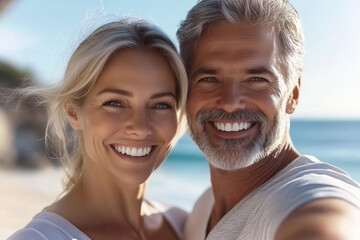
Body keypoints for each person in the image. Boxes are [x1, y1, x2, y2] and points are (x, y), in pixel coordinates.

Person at [177, 0, 360, 239]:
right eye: (209, 79)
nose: (230, 102)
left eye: (256, 79)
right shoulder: (203, 208)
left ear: (293, 94)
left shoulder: (308, 198)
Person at [8, 18, 188, 240]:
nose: (141, 127)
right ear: (73, 113)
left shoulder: (184, 226)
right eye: (114, 103)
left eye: (161, 105)